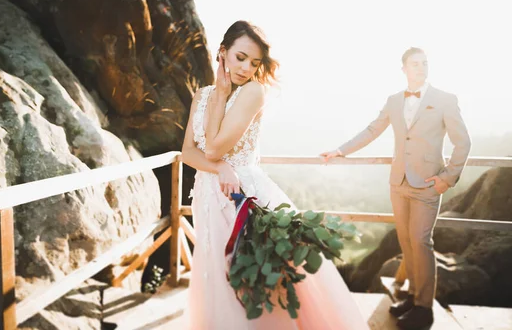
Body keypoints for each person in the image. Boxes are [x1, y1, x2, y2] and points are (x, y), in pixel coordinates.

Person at [181, 20, 368, 329]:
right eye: (240, 57)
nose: (246, 68)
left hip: (243, 195)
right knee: (215, 275)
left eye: (254, 63)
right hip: (208, 194)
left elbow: (212, 149)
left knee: (253, 276)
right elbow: (188, 152)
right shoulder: (201, 96)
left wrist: (225, 93)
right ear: (223, 53)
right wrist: (219, 166)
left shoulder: (254, 91)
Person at [321, 47, 471, 330]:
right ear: (403, 69)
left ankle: (424, 309)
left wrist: (447, 178)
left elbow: (463, 142)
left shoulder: (445, 100)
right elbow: (371, 130)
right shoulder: (393, 101)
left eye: (424, 63)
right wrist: (340, 150)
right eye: (415, 64)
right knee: (407, 243)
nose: (421, 68)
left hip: (429, 185)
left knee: (421, 242)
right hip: (398, 183)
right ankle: (412, 298)